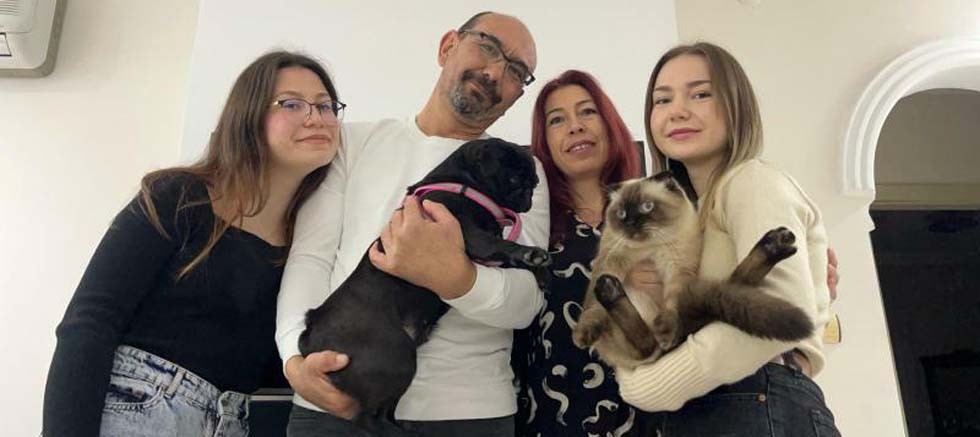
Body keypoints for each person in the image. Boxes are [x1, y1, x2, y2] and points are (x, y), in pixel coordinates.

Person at [275, 11, 549, 437]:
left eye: (517, 71)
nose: (496, 72)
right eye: (488, 47)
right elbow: (311, 257)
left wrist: (453, 277)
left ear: (518, 94)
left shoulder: (520, 169)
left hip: (468, 411)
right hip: (333, 397)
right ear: (447, 46)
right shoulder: (353, 142)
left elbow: (527, 300)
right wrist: (294, 358)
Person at [41, 51, 344, 436]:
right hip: (137, 406)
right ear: (248, 116)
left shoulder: (310, 251)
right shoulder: (179, 196)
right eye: (291, 104)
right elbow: (90, 321)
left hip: (229, 420)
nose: (316, 117)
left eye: (326, 106)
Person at [615, 42, 841, 436]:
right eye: (662, 100)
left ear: (737, 105)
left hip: (752, 397)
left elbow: (779, 311)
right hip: (728, 404)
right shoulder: (689, 215)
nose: (678, 110)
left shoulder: (751, 181)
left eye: (701, 94)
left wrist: (648, 385)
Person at [513, 69, 657, 436]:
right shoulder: (530, 226)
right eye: (557, 120)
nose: (575, 126)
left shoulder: (654, 215)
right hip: (552, 419)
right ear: (544, 142)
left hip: (647, 417)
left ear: (609, 124)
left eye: (587, 112)